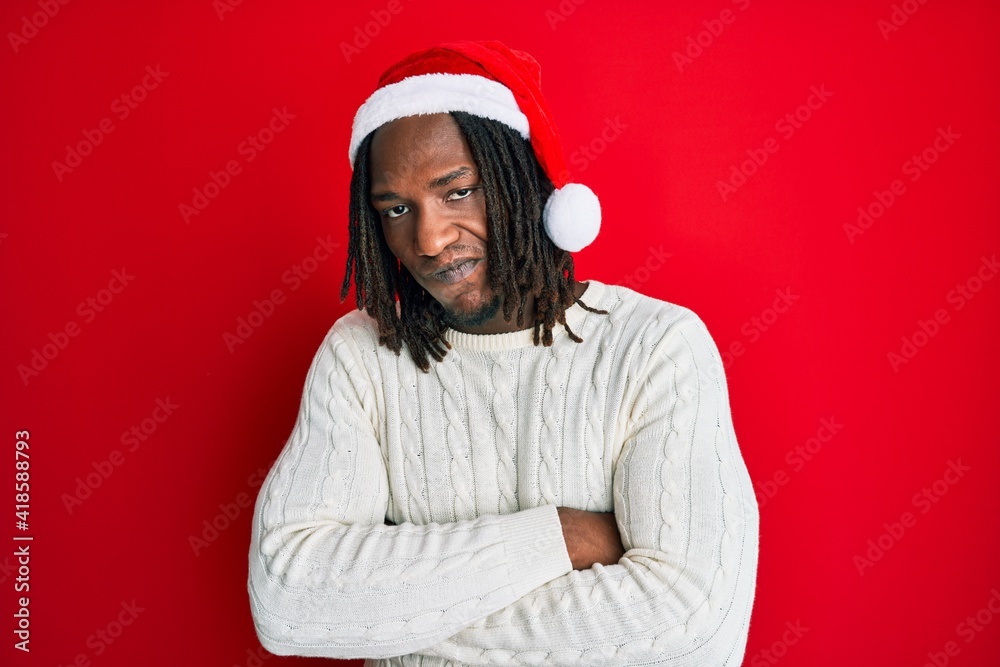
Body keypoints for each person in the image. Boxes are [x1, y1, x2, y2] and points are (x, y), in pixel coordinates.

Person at [248, 40, 759, 666]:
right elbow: (286, 602)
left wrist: (387, 614)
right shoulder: (361, 357)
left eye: (458, 191)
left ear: (521, 183)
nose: (430, 239)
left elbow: (694, 631)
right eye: (397, 209)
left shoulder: (655, 347)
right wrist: (557, 540)